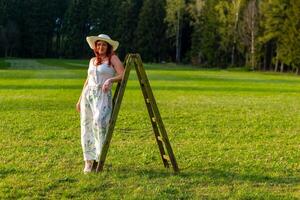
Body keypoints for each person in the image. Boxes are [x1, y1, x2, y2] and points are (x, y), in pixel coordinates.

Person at [76, 34, 124, 173]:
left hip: (102, 95)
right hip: (88, 96)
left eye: (103, 44)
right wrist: (80, 99)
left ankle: (99, 158)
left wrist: (110, 80)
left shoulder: (112, 59)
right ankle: (88, 162)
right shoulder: (92, 60)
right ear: (95, 47)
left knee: (100, 122)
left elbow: (123, 74)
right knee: (86, 127)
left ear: (108, 46)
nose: (100, 47)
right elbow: (87, 80)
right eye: (98, 44)